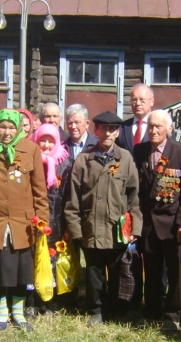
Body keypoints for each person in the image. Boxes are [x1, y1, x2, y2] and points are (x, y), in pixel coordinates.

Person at [0, 109, 49, 332]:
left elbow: (39, 190)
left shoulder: (31, 149)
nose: (6, 132)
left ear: (19, 128)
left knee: (22, 269)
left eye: (11, 127)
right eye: (3, 127)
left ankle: (18, 313)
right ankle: (1, 312)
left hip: (22, 223)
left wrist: (42, 220)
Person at [64, 111, 142, 326]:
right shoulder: (84, 160)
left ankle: (117, 309)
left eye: (112, 129)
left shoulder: (125, 158)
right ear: (96, 130)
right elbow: (73, 199)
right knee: (94, 272)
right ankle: (96, 309)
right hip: (91, 227)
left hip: (117, 229)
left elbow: (134, 197)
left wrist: (135, 227)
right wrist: (76, 230)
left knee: (118, 271)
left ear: (117, 132)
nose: (107, 133)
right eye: (103, 129)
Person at [134, 110, 181, 331]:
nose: (154, 130)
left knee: (175, 272)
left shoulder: (180, 151)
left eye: (158, 126)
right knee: (151, 270)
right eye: (151, 126)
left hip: (173, 224)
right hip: (148, 224)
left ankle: (172, 314)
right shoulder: (139, 151)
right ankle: (151, 311)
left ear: (169, 129)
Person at [26, 123, 74, 315]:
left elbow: (69, 195)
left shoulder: (65, 162)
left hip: (56, 220)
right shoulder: (28, 159)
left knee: (51, 261)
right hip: (32, 221)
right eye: (42, 140)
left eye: (50, 141)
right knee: (31, 262)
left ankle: (50, 301)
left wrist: (67, 225)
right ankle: (31, 301)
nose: (45, 145)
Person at [116, 84, 154, 156]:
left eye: (142, 100)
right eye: (134, 100)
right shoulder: (122, 127)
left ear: (152, 101)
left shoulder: (161, 128)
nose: (138, 103)